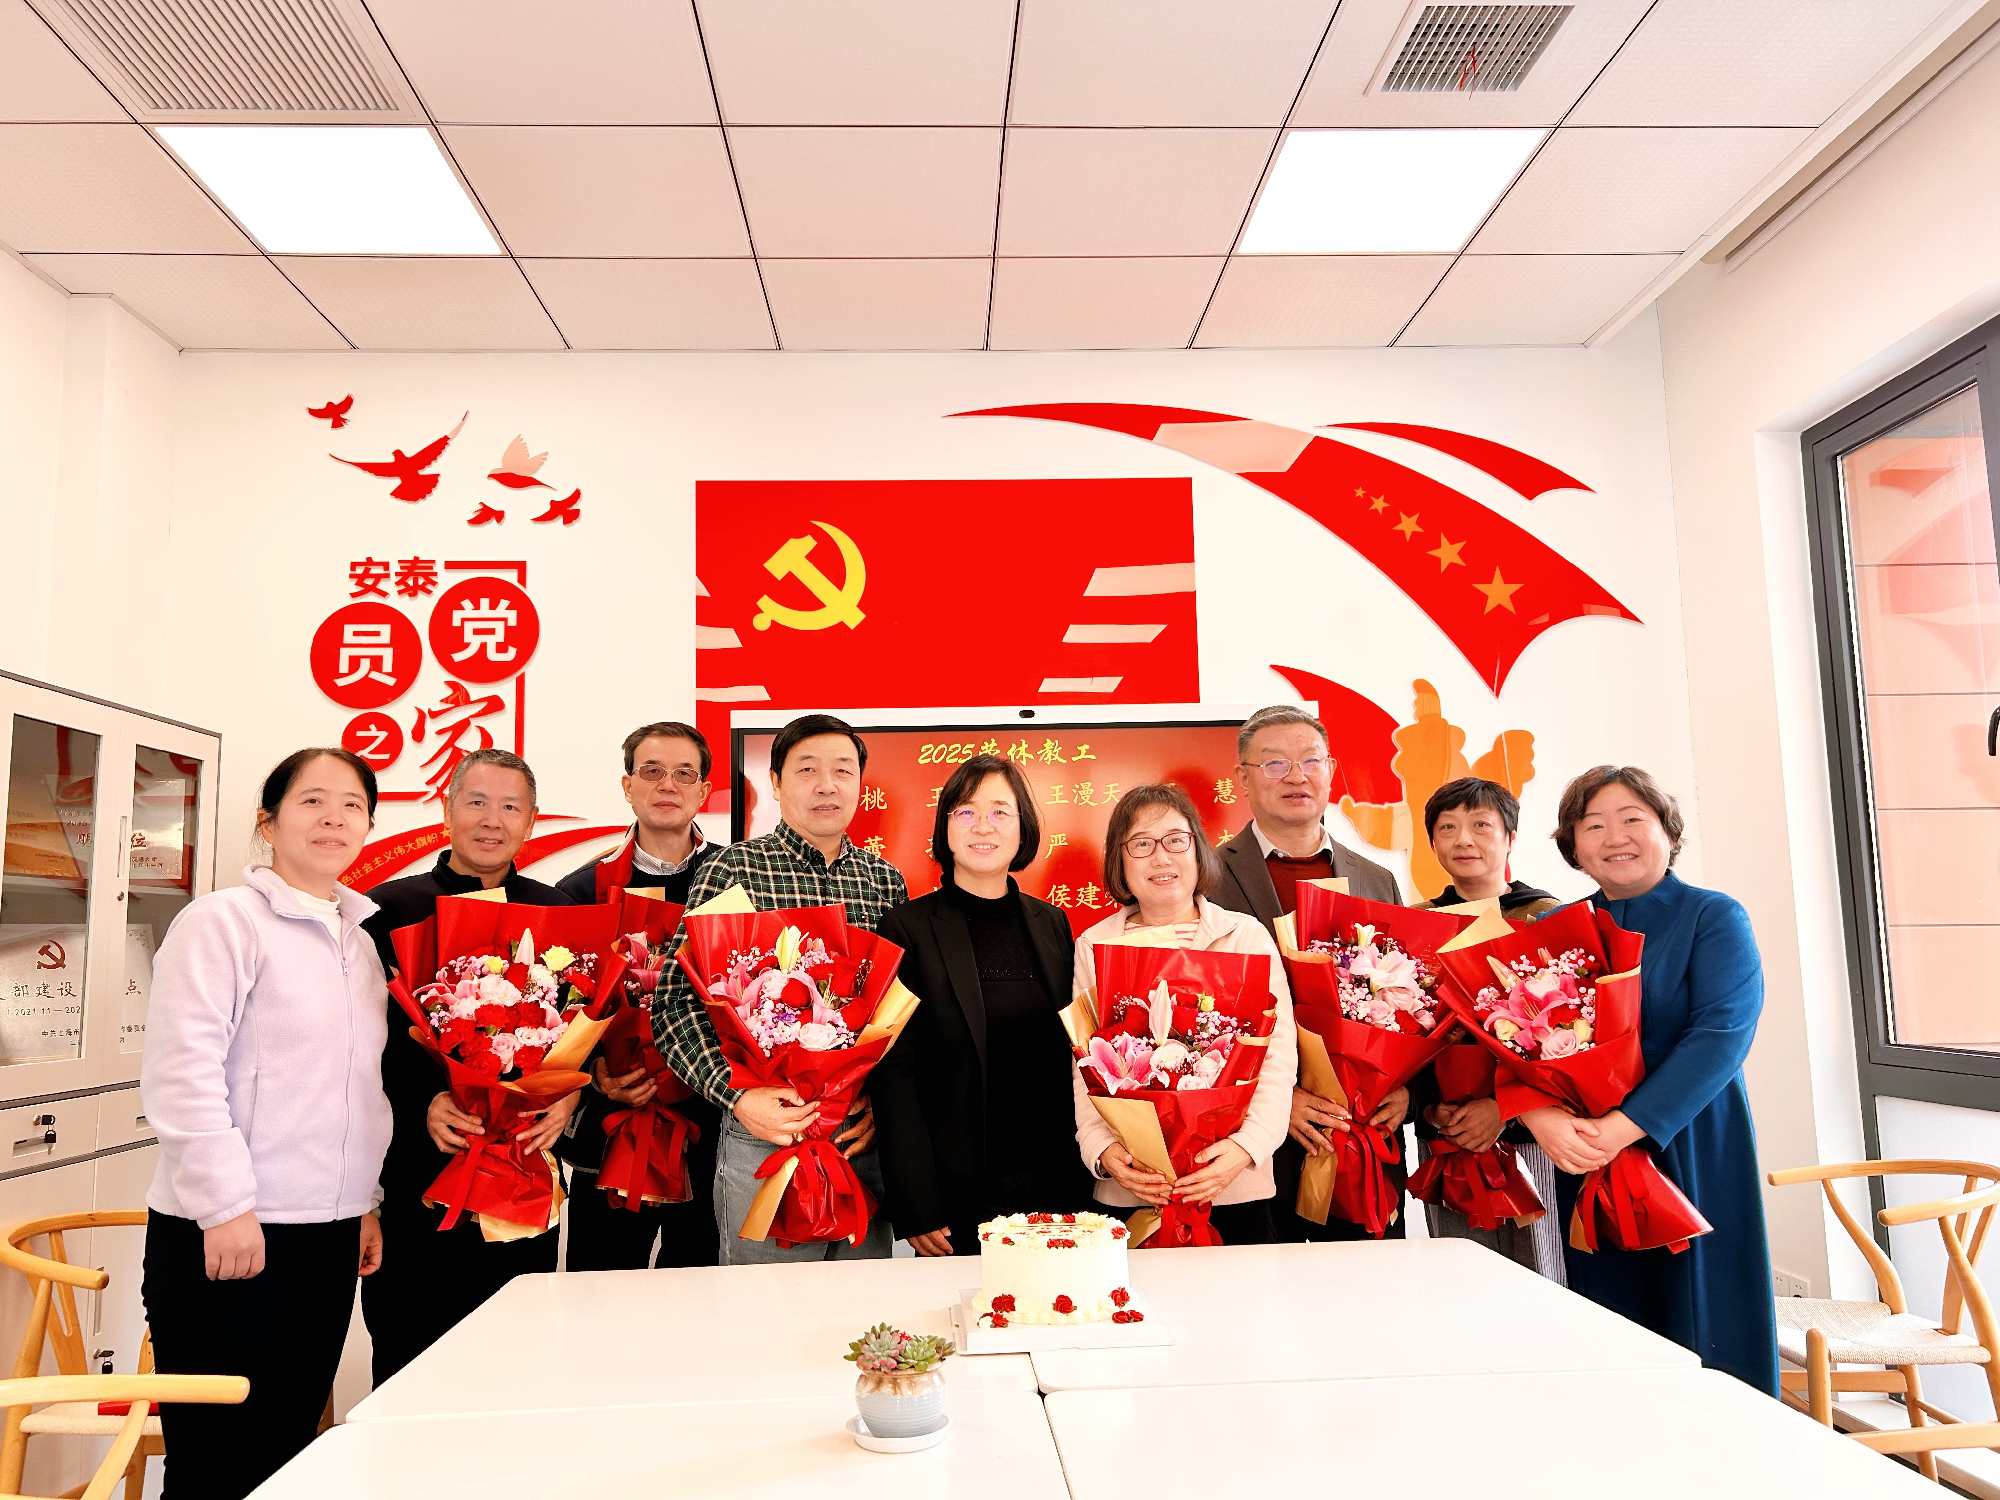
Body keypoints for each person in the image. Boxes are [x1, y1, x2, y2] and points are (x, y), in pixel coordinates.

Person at [141, 749, 391, 1499]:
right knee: (215, 1462)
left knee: (286, 1448)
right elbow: (183, 1073)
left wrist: (365, 1202)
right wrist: (224, 1207)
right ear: (269, 821)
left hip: (328, 1232)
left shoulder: (360, 941)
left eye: (351, 806)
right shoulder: (223, 922)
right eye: (312, 801)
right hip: (232, 1232)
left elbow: (356, 1087)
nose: (333, 819)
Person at [1528, 765, 1777, 1394]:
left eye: (1632, 819)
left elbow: (1720, 1036)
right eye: (1593, 825)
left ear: (1667, 831)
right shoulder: (1554, 929)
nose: (1615, 837)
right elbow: (1512, 1041)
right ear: (1573, 845)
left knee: (1700, 1317)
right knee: (1605, 1319)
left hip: (1687, 1142)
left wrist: (1623, 1127)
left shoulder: (1712, 916)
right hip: (1584, 1152)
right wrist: (1541, 1117)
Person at [651, 714, 906, 1263]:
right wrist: (738, 1096)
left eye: (843, 771)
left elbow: (895, 1012)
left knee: (866, 1305)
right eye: (807, 770)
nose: (827, 785)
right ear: (775, 782)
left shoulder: (885, 880)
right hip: (764, 1135)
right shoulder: (734, 870)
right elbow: (675, 1004)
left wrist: (880, 1105)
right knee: (765, 1305)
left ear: (860, 784)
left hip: (857, 1140)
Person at [359, 749, 570, 1385]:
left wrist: (568, 1099)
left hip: (521, 1167)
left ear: (531, 820)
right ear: (447, 812)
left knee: (514, 1357)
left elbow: (582, 1031)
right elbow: (359, 1041)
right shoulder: (386, 909)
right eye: (476, 802)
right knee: (409, 1355)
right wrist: (420, 1100)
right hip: (419, 1169)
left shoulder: (557, 913)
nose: (491, 820)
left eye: (510, 807)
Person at [874, 756, 1092, 1254]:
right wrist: (917, 1201)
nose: (983, 826)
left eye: (999, 812)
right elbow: (896, 1075)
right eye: (966, 812)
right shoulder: (907, 928)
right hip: (957, 1191)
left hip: (1055, 1179)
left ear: (1022, 829)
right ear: (946, 827)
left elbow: (1077, 1052)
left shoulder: (1052, 924)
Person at [1208, 704, 1408, 1243]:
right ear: (1243, 779)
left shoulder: (1377, 879)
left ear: (1331, 770)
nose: (1296, 776)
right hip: (1254, 1148)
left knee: (1367, 1286)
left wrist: (1402, 1089)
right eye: (1274, 764)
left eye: (1310, 761)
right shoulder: (1206, 877)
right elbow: (1197, 1012)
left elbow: (1408, 997)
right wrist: (1276, 1101)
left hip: (1363, 1134)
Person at [1071, 783, 1298, 1245]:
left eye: (1176, 840)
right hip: (1135, 1186)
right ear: (1120, 861)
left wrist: (1246, 1147)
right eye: (1141, 844)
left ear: (1198, 850)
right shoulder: (1095, 945)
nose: (1161, 858)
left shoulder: (1245, 936)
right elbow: (1082, 1063)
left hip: (1234, 1183)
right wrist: (1102, 1149)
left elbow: (1277, 1058)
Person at [554, 721, 722, 1272]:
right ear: (627, 786)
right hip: (613, 1125)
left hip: (713, 1130)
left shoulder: (736, 881)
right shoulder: (580, 890)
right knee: (600, 1296)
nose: (667, 785)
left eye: (684, 774)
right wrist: (594, 1074)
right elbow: (552, 1012)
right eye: (652, 771)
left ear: (704, 791)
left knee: (705, 1297)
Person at [1412, 776, 1565, 1277]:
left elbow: (1573, 1034)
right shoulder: (1416, 923)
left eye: (1481, 825)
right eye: (1448, 828)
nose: (1464, 840)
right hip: (1447, 1130)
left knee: (1543, 1272)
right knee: (1460, 1273)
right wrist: (1428, 1106)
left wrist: (1504, 1110)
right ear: (1431, 842)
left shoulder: (1547, 918)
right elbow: (1402, 1034)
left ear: (1510, 838)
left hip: (1534, 1131)